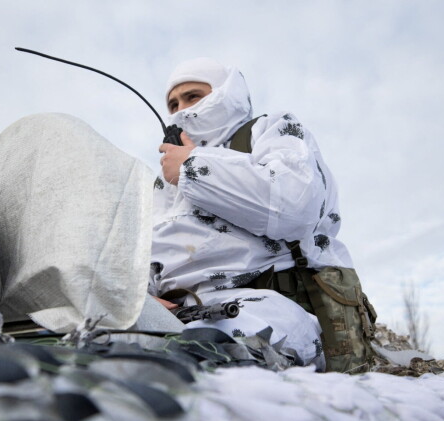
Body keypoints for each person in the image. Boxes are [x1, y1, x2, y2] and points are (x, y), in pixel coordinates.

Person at [148, 58, 363, 370]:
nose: (181, 109)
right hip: (176, 313)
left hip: (272, 307)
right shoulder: (164, 183)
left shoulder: (269, 131)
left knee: (214, 349)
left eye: (193, 96)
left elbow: (295, 205)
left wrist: (192, 167)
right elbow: (149, 248)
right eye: (173, 103)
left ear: (226, 92)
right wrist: (143, 299)